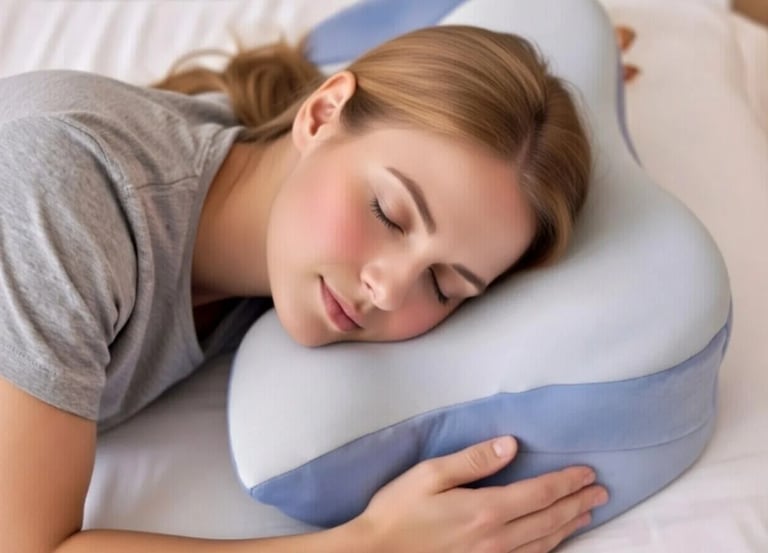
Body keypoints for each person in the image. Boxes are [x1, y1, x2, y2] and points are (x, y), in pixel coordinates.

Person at [0, 24, 607, 553]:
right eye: (390, 214)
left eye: (444, 284)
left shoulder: (277, 222)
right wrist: (372, 545)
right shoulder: (61, 197)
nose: (390, 290)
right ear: (320, 115)